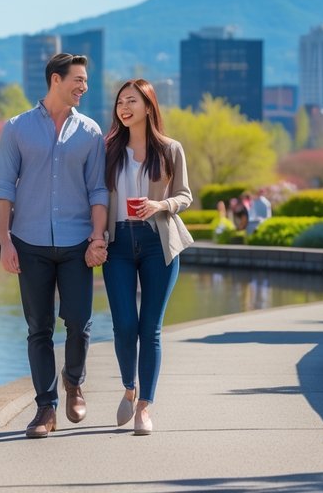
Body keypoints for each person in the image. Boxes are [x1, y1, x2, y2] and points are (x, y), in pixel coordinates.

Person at [0, 52, 108, 439]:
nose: (83, 87)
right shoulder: (17, 128)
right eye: (78, 79)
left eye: (86, 81)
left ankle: (74, 381)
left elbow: (98, 190)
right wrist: (6, 242)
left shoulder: (91, 132)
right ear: (55, 79)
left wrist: (97, 236)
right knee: (38, 328)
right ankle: (46, 408)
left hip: (77, 242)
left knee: (79, 323)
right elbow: (3, 188)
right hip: (30, 242)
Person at [102, 79, 194, 436]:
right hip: (118, 243)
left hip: (159, 241)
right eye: (120, 102)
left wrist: (161, 204)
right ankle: (129, 387)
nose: (124, 108)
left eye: (132, 101)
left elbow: (185, 195)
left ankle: (145, 407)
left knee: (150, 329)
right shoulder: (107, 149)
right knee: (125, 326)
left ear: (148, 106)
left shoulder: (170, 149)